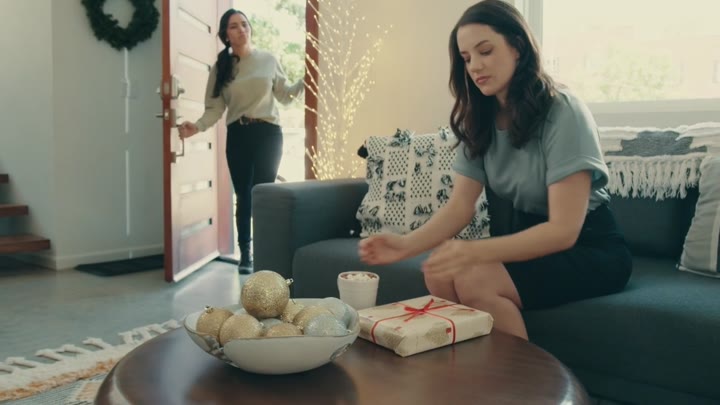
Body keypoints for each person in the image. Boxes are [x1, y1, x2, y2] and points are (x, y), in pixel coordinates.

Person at [358, 0, 632, 340]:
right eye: (466, 58)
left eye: (485, 51)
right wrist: (405, 245)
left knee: (474, 277)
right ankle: (476, 371)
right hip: (528, 238)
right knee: (439, 274)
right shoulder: (479, 118)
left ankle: (524, 377)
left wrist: (472, 250)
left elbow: (564, 231)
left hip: (589, 248)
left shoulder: (563, 111)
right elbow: (460, 207)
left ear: (517, 47)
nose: (475, 66)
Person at [178, 9, 304, 274]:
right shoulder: (221, 68)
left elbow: (284, 96)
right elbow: (214, 108)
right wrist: (197, 126)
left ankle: (267, 252)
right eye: (234, 26)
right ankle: (246, 253)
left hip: (268, 133)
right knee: (244, 195)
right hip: (238, 134)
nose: (241, 30)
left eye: (244, 24)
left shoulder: (268, 60)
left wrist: (306, 80)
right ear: (226, 35)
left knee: (263, 193)